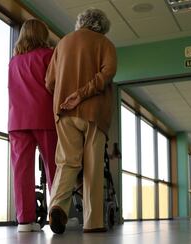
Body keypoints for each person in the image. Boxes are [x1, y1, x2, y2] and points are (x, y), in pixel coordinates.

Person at [45, 8, 117, 234]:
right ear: (102, 27)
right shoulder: (105, 44)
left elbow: (49, 82)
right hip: (94, 113)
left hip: (64, 112)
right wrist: (84, 92)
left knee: (67, 162)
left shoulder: (63, 43)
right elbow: (108, 73)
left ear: (81, 23)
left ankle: (57, 205)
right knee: (93, 167)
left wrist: (67, 95)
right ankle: (93, 223)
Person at [8, 19, 57, 232]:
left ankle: (24, 222)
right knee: (55, 167)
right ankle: (58, 216)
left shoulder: (13, 61)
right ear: (42, 35)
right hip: (43, 116)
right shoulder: (49, 55)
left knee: (21, 170)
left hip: (17, 119)